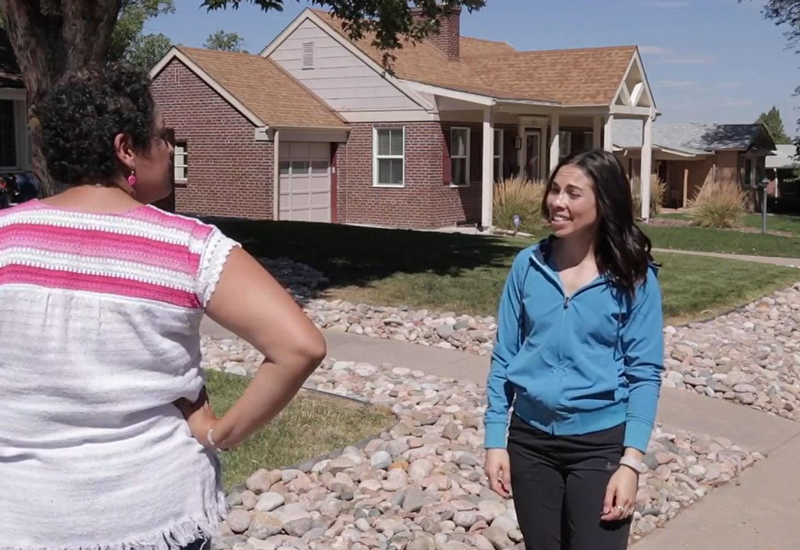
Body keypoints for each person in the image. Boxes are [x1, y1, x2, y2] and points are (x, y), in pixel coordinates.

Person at [0, 64, 327, 550]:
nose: (170, 148)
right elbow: (300, 347)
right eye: (160, 136)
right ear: (125, 148)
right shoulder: (190, 246)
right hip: (154, 516)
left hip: (23, 518)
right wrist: (220, 434)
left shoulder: (5, 236)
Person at [483, 149, 664, 550]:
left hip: (599, 445)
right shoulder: (527, 266)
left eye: (573, 193)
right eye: (554, 190)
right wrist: (496, 438)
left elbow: (645, 374)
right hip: (530, 443)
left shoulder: (634, 277)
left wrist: (630, 463)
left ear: (604, 203)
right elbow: (504, 358)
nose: (557, 202)